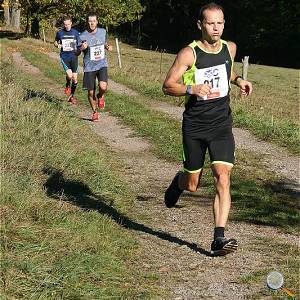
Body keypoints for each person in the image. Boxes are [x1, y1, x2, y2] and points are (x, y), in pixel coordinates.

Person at [162, 2, 252, 256]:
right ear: (200, 25)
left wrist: (239, 80)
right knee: (193, 184)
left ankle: (219, 237)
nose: (216, 28)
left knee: (223, 176)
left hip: (221, 124)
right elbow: (168, 85)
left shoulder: (229, 48)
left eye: (220, 22)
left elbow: (228, 71)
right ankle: (178, 183)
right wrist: (191, 88)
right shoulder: (188, 54)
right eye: (211, 23)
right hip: (195, 125)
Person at [79, 13, 113, 122]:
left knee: (103, 87)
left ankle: (100, 96)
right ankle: (95, 112)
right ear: (87, 22)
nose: (92, 23)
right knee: (90, 93)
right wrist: (81, 48)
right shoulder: (82, 36)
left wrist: (107, 47)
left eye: (94, 21)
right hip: (89, 67)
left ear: (97, 22)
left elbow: (104, 43)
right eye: (89, 21)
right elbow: (76, 52)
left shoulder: (103, 32)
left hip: (102, 64)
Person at [54, 15, 81, 105]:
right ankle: (67, 85)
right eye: (65, 24)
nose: (67, 26)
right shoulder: (60, 33)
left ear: (71, 24)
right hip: (65, 57)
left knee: (75, 79)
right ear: (63, 24)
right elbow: (55, 41)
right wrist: (57, 45)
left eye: (68, 24)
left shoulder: (76, 33)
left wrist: (80, 49)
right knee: (70, 76)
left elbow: (79, 44)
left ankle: (72, 96)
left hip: (74, 57)